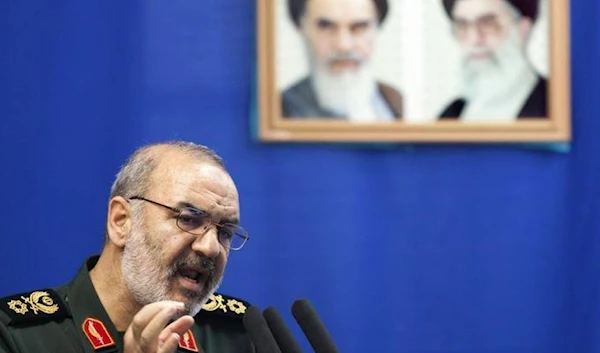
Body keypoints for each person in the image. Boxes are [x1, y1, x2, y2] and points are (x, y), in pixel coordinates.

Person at [0, 141, 254, 353]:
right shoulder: (16, 337)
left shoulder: (238, 335)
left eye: (225, 232)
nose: (210, 247)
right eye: (188, 219)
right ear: (121, 221)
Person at [281, 0, 403, 122]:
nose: (343, 45)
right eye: (326, 26)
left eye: (359, 27)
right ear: (302, 28)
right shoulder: (278, 112)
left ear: (377, 27)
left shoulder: (394, 102)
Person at [438, 0, 548, 122]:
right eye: (462, 25)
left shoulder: (558, 106)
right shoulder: (451, 115)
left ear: (523, 29)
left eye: (487, 24)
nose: (474, 40)